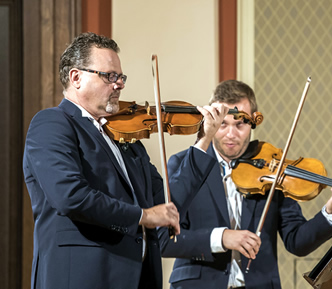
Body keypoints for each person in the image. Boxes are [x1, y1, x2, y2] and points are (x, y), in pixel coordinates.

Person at [23, 32, 229, 289]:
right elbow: (70, 196)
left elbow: (165, 205)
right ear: (76, 77)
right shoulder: (53, 123)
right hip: (82, 277)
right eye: (110, 76)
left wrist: (203, 141)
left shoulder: (127, 140)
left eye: (121, 77)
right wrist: (141, 216)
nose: (119, 85)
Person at [158, 79, 332, 289]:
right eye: (223, 124)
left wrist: (331, 211)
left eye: (240, 124)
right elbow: (166, 240)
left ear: (253, 121)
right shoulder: (184, 165)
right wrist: (222, 237)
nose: (231, 134)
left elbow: (297, 241)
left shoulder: (272, 169)